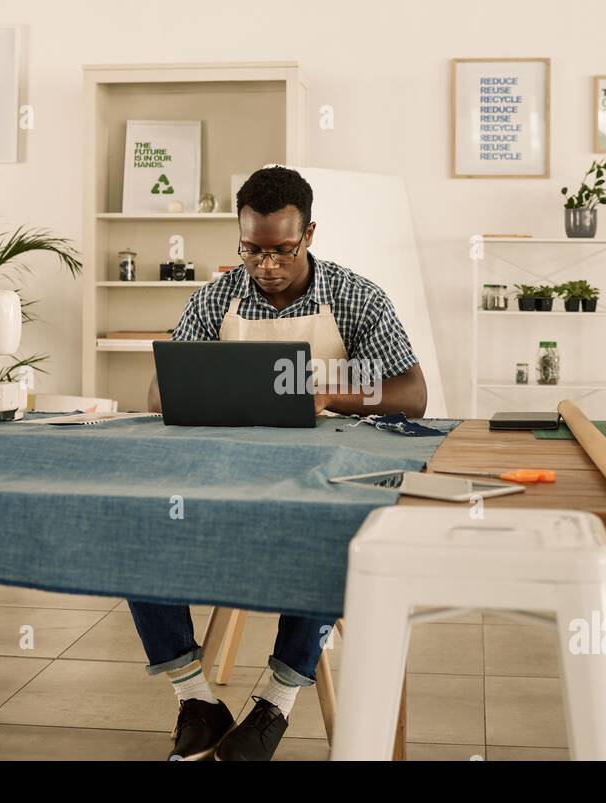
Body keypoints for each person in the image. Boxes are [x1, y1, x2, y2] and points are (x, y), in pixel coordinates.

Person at [137, 165, 428, 760]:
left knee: (330, 532)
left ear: (310, 234)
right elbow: (158, 397)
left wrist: (330, 395)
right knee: (136, 526)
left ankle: (275, 702)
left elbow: (410, 393)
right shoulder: (215, 298)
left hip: (317, 481)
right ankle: (195, 698)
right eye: (252, 251)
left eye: (282, 251)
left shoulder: (354, 298)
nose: (266, 266)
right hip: (225, 478)